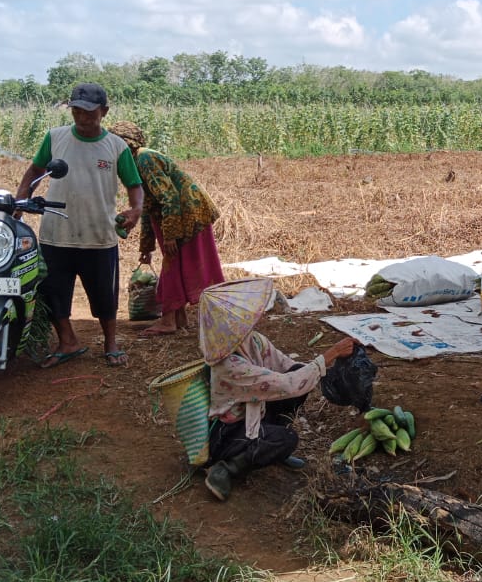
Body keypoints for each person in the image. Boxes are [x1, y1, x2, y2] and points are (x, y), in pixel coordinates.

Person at [16, 82, 143, 368]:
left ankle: (110, 343)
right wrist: (20, 203)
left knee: (104, 295)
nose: (83, 118)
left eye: (89, 113)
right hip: (55, 233)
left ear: (104, 111)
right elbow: (34, 171)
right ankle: (67, 341)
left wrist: (136, 210)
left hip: (98, 235)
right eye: (76, 111)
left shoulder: (116, 147)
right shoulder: (55, 138)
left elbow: (134, 185)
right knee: (53, 293)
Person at [197, 278, 356, 501]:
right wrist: (330, 355)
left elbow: (287, 368)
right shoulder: (229, 366)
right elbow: (287, 384)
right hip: (229, 435)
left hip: (255, 414)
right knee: (287, 439)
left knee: (299, 372)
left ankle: (269, 447)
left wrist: (319, 369)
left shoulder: (252, 342)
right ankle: (227, 467)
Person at [107, 121, 224, 337]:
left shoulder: (145, 159)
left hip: (187, 214)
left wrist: (170, 235)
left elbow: (168, 198)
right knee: (174, 263)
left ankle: (169, 320)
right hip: (178, 215)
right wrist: (146, 247)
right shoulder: (135, 162)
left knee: (172, 263)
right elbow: (149, 206)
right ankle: (178, 318)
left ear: (123, 145)